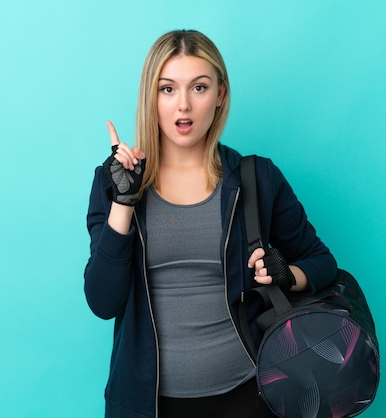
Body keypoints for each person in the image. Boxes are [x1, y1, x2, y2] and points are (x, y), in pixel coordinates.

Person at [84, 29, 337, 418]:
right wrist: (124, 201)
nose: (183, 105)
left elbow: (322, 263)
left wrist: (287, 274)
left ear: (220, 95)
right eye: (167, 89)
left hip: (249, 395)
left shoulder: (258, 179)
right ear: (151, 97)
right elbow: (103, 301)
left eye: (198, 87)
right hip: (144, 405)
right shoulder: (114, 179)